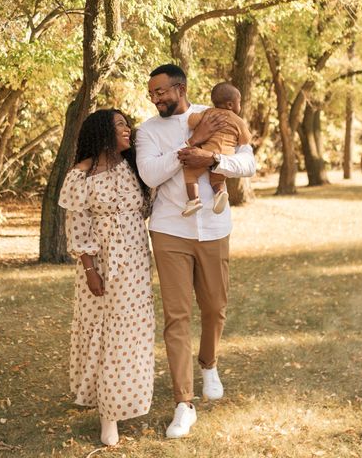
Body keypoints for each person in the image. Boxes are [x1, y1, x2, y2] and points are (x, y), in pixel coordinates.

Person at [136, 64, 256, 439]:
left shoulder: (216, 113)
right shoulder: (147, 131)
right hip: (170, 229)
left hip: (215, 229)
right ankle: (183, 404)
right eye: (152, 94)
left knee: (215, 308)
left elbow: (249, 162)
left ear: (180, 87)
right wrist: (190, 144)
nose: (156, 99)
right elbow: (150, 175)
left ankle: (209, 363)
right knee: (176, 317)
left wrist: (214, 159)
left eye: (161, 92)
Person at [58, 109, 155, 447]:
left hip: (136, 263)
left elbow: (146, 207)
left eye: (127, 124)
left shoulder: (133, 167)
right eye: (119, 126)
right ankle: (107, 415)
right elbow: (77, 227)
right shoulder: (79, 177)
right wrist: (90, 270)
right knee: (105, 333)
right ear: (102, 133)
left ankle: (126, 399)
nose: (127, 130)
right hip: (101, 265)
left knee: (132, 332)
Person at [182, 81, 252, 217]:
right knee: (217, 180)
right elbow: (245, 140)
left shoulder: (209, 112)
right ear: (230, 105)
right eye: (239, 102)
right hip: (226, 156)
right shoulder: (238, 121)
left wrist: (193, 116)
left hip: (206, 151)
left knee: (190, 173)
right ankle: (219, 194)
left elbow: (191, 122)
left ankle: (194, 200)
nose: (240, 105)